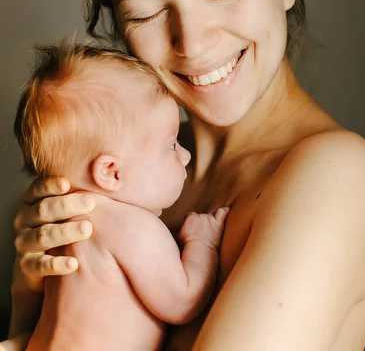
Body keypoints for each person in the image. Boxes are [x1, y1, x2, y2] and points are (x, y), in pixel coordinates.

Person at [5, 0, 365, 351]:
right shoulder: (121, 178)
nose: (191, 40)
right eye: (145, 13)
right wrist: (29, 299)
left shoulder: (335, 175)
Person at [12, 42, 229, 351]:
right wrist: (201, 243)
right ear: (112, 172)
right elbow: (183, 301)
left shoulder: (64, 227)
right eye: (171, 146)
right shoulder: (131, 227)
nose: (185, 155)